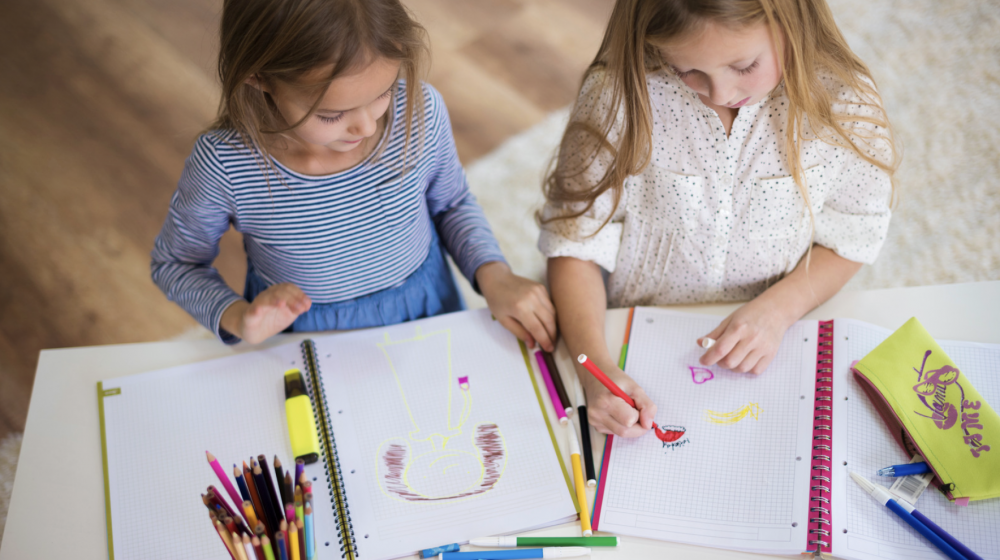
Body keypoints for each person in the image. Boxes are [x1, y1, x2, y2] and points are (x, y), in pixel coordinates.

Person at [539, 0, 898, 437]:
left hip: (780, 333)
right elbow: (574, 240)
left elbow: (854, 233)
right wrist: (593, 370)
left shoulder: (844, 102)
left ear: (793, 21)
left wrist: (778, 310)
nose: (722, 93)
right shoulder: (620, 95)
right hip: (632, 328)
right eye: (687, 71)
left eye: (744, 66)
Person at [152, 0, 555, 350]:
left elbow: (450, 203)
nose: (365, 127)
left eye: (383, 92)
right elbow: (176, 263)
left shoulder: (420, 112)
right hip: (307, 338)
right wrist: (238, 317)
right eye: (332, 114)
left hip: (426, 307)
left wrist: (494, 274)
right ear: (258, 77)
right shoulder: (224, 165)